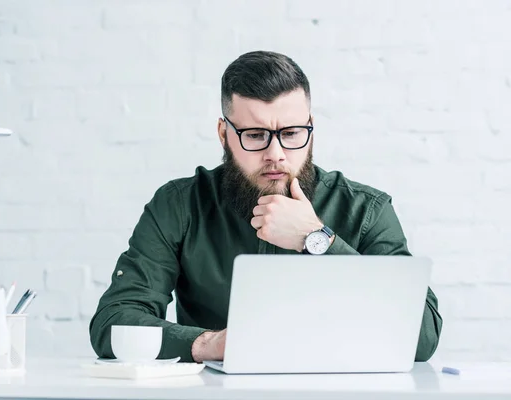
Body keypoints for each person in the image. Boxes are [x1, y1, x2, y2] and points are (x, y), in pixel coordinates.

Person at [89, 50, 443, 363]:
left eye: (290, 134)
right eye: (255, 136)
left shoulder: (367, 210)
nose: (275, 154)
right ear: (224, 134)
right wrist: (209, 343)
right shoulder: (180, 206)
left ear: (311, 128)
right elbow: (114, 321)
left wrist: (317, 240)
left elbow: (422, 337)